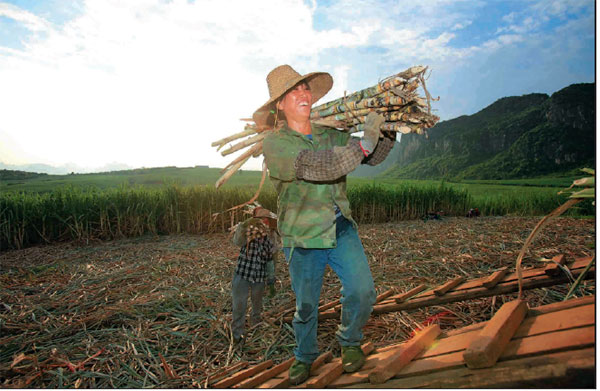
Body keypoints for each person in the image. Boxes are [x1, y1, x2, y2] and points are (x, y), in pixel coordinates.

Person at [253, 65, 396, 384]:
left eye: (305, 88)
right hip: (302, 237)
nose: (303, 94)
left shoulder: (329, 133)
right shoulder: (274, 144)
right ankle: (304, 356)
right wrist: (363, 145)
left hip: (339, 228)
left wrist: (387, 129)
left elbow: (370, 157)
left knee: (362, 291)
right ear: (279, 104)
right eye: (294, 91)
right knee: (306, 306)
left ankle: (350, 342)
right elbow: (318, 166)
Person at [231, 206, 279, 346]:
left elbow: (271, 259)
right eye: (259, 218)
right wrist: (244, 225)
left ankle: (256, 335)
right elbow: (237, 242)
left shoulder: (271, 236)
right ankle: (237, 336)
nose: (262, 221)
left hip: (259, 278)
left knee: (257, 308)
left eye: (265, 218)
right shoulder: (247, 231)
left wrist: (271, 280)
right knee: (239, 307)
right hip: (242, 275)